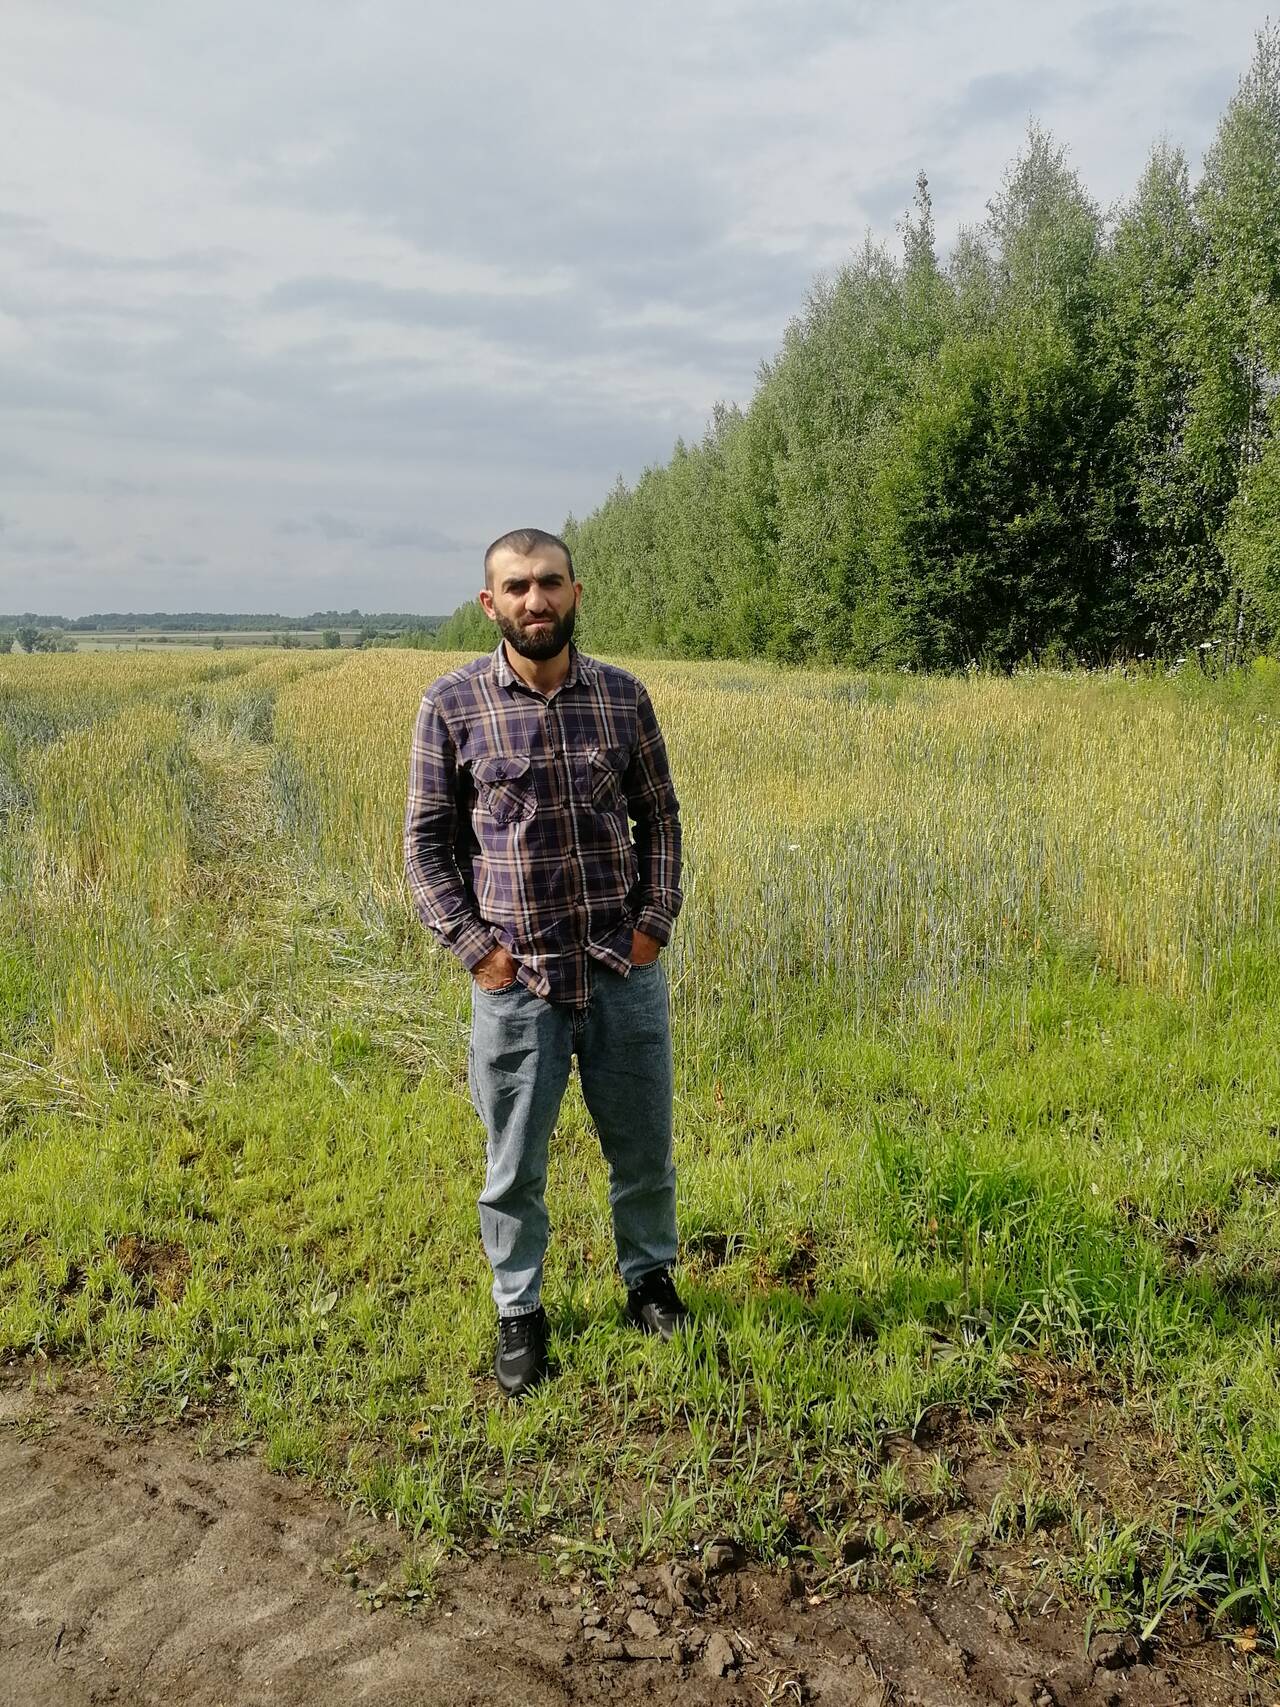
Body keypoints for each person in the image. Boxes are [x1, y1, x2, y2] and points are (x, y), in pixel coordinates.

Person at [404, 526, 687, 1399]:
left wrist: (652, 925)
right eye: (519, 586)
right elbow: (425, 847)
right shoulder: (451, 705)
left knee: (643, 1147)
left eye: (551, 582)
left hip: (620, 972)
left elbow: (661, 817)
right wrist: (478, 951)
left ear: (575, 592)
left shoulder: (623, 698)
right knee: (514, 1163)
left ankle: (650, 1281)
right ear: (490, 602)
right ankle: (519, 1310)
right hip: (519, 981)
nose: (538, 600)